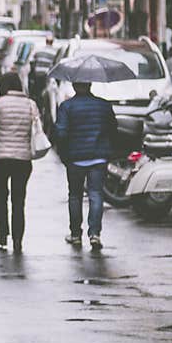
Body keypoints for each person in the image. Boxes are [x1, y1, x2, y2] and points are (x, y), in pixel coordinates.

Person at [0, 72, 38, 254]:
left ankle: (2, 237)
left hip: (0, 159)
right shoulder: (30, 105)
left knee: (1, 197)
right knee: (19, 201)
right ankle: (18, 241)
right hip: (22, 160)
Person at [55, 81, 117, 251]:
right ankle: (95, 234)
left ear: (75, 86)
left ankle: (75, 235)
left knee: (75, 195)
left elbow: (61, 133)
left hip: (75, 158)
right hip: (98, 157)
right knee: (96, 194)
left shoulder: (67, 107)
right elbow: (113, 129)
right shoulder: (103, 105)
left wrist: (64, 154)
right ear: (90, 85)